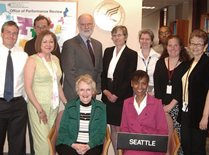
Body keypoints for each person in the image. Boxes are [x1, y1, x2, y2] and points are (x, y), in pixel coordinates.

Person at [24, 30, 67, 155]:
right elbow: (28, 88)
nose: (48, 44)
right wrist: (39, 109)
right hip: (38, 107)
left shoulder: (56, 60)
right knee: (42, 144)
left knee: (50, 141)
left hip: (53, 106)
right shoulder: (33, 60)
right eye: (45, 41)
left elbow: (57, 83)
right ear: (39, 43)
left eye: (51, 41)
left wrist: (66, 102)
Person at [101, 25, 137, 155]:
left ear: (126, 37)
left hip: (121, 96)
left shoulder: (131, 54)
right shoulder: (108, 51)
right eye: (114, 35)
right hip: (108, 94)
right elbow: (103, 72)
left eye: (120, 35)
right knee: (111, 127)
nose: (117, 37)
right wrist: (105, 90)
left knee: (120, 128)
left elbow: (129, 78)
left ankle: (120, 153)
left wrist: (116, 95)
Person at [154, 35, 190, 154]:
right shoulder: (160, 62)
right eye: (170, 45)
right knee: (162, 137)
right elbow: (157, 83)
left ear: (181, 47)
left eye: (176, 45)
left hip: (178, 107)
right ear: (166, 47)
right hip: (160, 106)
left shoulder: (187, 65)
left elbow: (183, 88)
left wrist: (170, 105)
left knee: (176, 139)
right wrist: (159, 103)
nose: (173, 48)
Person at [56, 74, 106, 155]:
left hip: (92, 145)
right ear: (77, 91)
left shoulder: (101, 107)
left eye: (88, 89)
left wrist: (89, 146)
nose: (85, 93)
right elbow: (62, 130)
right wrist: (73, 145)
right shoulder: (70, 106)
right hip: (70, 144)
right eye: (82, 89)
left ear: (93, 91)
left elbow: (101, 133)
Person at [120, 70, 168, 155]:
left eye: (143, 83)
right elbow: (124, 128)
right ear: (131, 84)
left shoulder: (156, 104)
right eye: (136, 83)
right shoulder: (127, 103)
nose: (140, 87)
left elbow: (162, 130)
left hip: (151, 148)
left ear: (147, 84)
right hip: (132, 147)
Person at [0, 21, 28, 155]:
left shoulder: (23, 55)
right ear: (1, 34)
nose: (11, 36)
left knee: (18, 145)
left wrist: (25, 101)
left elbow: (26, 80)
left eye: (14, 33)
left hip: (18, 106)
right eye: (8, 32)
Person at [61, 13, 103, 101]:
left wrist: (96, 88)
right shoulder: (69, 44)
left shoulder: (98, 45)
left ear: (93, 25)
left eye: (89, 24)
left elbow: (99, 70)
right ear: (78, 26)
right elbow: (69, 71)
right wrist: (82, 90)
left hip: (92, 94)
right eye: (83, 24)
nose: (86, 27)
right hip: (75, 93)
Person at [180, 29, 209, 155]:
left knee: (197, 149)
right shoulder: (190, 63)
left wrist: (205, 116)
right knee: (186, 146)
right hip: (186, 112)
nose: (194, 47)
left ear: (205, 46)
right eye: (192, 43)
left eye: (199, 44)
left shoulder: (207, 63)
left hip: (199, 113)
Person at [137, 29, 159, 95]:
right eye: (142, 39)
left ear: (152, 42)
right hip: (138, 89)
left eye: (147, 39)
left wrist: (153, 92)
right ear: (139, 41)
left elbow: (160, 78)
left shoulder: (158, 57)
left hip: (153, 90)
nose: (144, 41)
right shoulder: (134, 56)